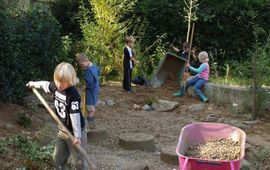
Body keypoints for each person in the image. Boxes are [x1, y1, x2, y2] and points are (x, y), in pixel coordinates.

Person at [26, 62, 88, 170]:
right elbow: (44, 84)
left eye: (63, 82)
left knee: (79, 163)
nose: (59, 84)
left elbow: (75, 115)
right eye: (58, 80)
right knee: (57, 159)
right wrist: (33, 84)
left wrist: (77, 136)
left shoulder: (72, 94)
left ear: (70, 80)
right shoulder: (55, 86)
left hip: (75, 133)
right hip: (62, 131)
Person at [76, 53, 100, 129]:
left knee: (89, 108)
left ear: (86, 61)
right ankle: (92, 121)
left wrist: (85, 87)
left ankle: (90, 125)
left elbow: (89, 82)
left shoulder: (88, 70)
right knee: (92, 105)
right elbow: (99, 72)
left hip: (90, 91)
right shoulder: (94, 66)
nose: (82, 67)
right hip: (95, 89)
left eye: (82, 65)